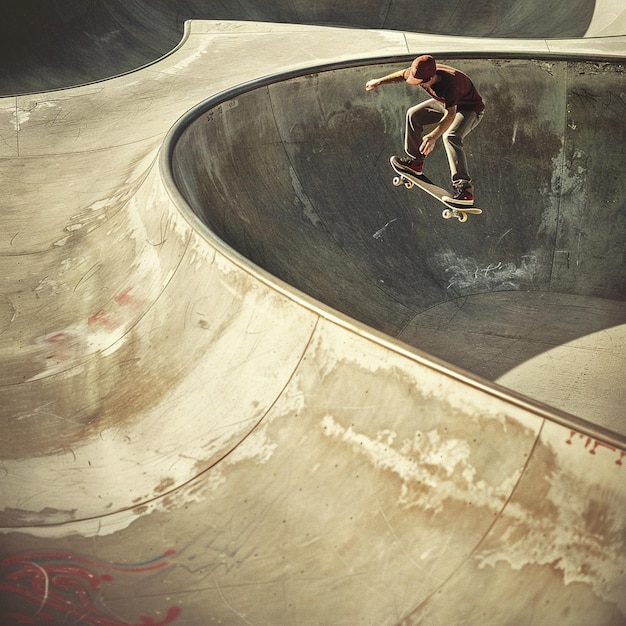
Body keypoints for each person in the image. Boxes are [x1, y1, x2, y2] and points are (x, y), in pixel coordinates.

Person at [366, 55, 484, 205]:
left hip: (469, 109)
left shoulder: (450, 84)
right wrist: (379, 81)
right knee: (413, 114)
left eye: (418, 83)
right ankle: (416, 163)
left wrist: (433, 136)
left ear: (429, 79)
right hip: (446, 104)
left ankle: (464, 189)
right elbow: (401, 75)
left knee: (450, 136)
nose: (415, 85)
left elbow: (451, 115)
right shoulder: (421, 72)